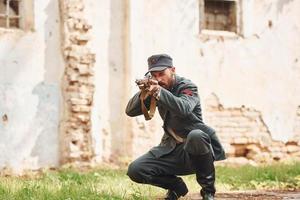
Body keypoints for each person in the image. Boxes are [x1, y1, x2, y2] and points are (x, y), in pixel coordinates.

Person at [125, 54, 226, 200]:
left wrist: (158, 91)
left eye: (162, 74)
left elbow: (183, 108)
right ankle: (176, 187)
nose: (159, 79)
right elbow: (130, 111)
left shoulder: (187, 86)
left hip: (196, 149)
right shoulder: (155, 88)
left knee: (196, 135)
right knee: (136, 170)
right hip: (171, 148)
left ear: (173, 70)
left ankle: (208, 191)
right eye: (154, 75)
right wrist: (145, 90)